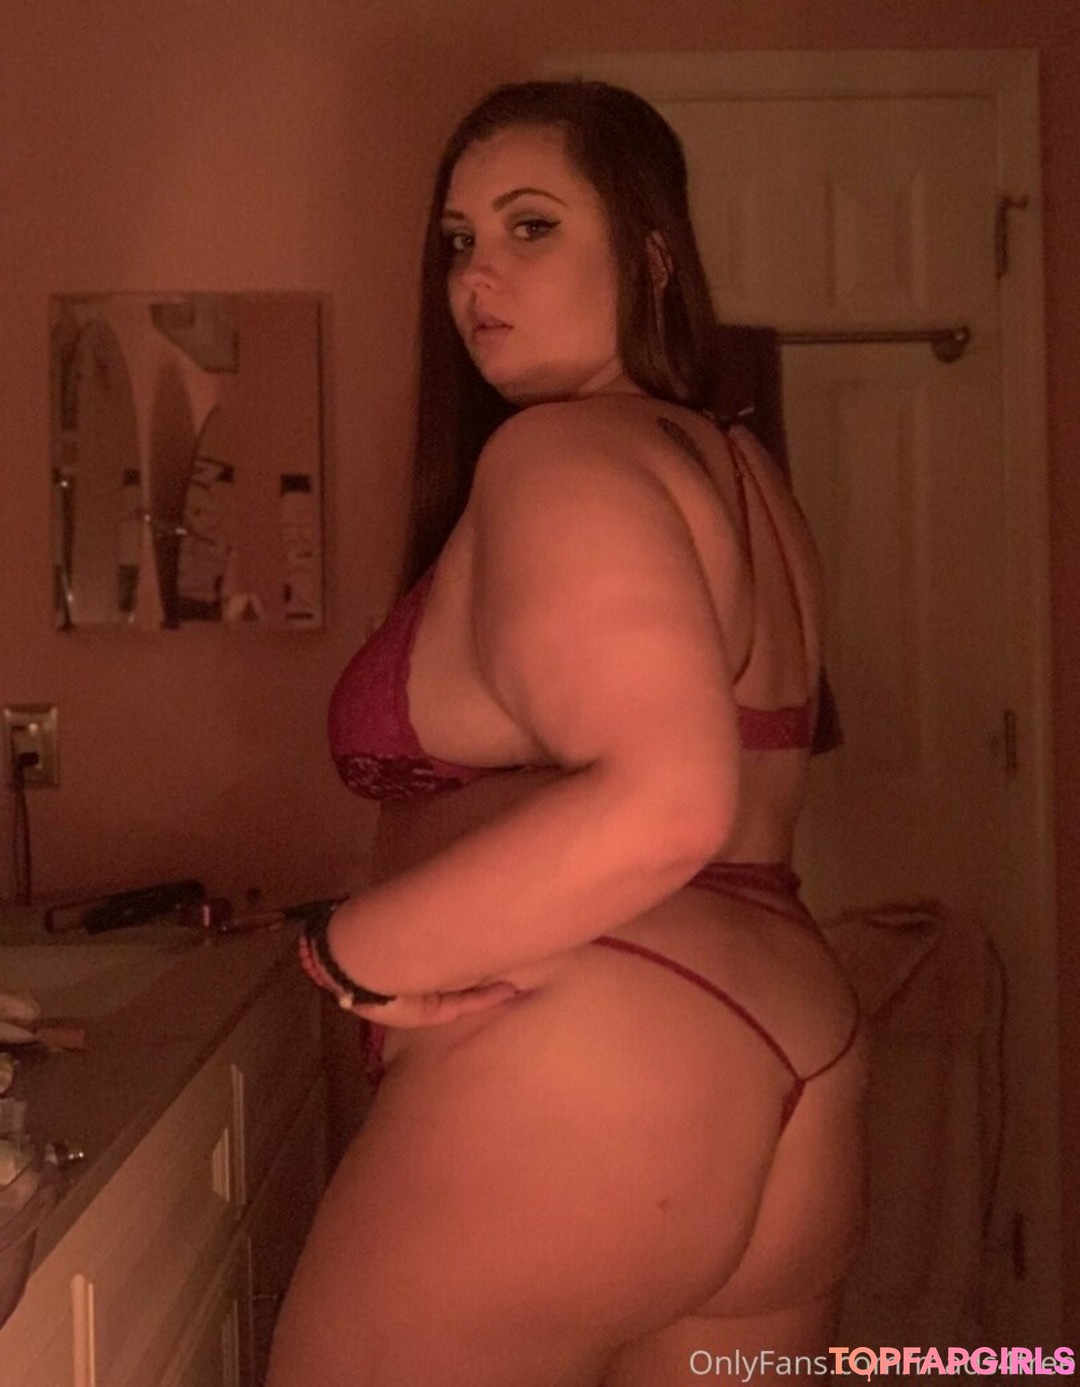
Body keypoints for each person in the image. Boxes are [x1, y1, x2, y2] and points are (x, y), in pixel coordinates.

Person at [267, 79, 865, 1387]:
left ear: (650, 256)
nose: (477, 275)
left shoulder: (559, 455)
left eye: (530, 225)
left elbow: (666, 802)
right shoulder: (736, 468)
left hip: (596, 1055)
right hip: (795, 1043)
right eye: (458, 240)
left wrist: (355, 950)